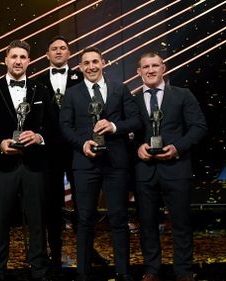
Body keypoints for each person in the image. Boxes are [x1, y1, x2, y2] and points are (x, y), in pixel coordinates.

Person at [60, 47, 141, 281]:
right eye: (86, 63)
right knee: (84, 219)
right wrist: (81, 144)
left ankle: (123, 271)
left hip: (116, 162)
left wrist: (115, 127)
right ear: (81, 67)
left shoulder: (120, 89)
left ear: (104, 63)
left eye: (95, 61)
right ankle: (83, 273)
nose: (91, 66)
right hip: (85, 162)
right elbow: (65, 126)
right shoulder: (72, 93)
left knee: (118, 218)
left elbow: (135, 119)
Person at [0, 40, 55, 281]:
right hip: (2, 166)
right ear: (6, 60)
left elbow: (54, 125)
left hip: (34, 165)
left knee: (36, 221)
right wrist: (0, 144)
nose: (18, 61)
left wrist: (40, 136)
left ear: (29, 61)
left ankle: (39, 271)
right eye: (14, 57)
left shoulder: (41, 89)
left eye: (23, 57)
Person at [33, 35, 109, 268]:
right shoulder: (36, 81)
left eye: (63, 48)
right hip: (48, 152)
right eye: (53, 48)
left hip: (79, 148)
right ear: (47, 55)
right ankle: (53, 251)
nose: (58, 51)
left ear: (69, 54)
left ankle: (88, 251)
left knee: (83, 202)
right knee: (51, 202)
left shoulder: (81, 78)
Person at [133, 52, 206, 281]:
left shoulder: (183, 95)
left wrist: (177, 147)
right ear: (139, 72)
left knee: (181, 223)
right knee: (147, 224)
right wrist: (137, 147)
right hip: (145, 171)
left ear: (163, 68)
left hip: (177, 168)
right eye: (146, 66)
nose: (151, 70)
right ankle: (152, 269)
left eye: (155, 65)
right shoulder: (132, 100)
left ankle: (183, 270)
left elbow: (198, 127)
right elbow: (128, 132)